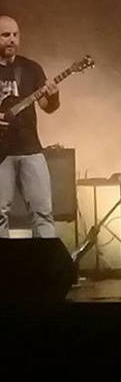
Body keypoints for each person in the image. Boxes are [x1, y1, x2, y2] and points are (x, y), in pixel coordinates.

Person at [0, 15, 60, 237]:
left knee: (43, 213)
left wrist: (53, 95)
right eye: (5, 35)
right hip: (1, 154)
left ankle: (45, 258)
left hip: (30, 149)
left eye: (15, 35)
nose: (12, 39)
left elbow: (48, 107)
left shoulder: (31, 68)